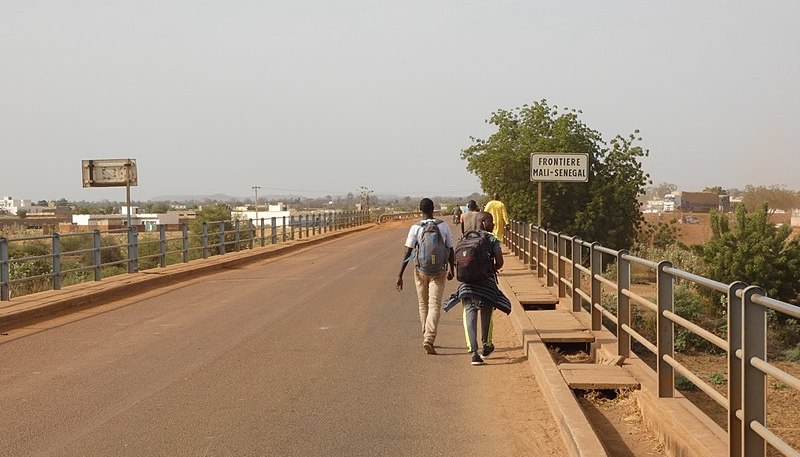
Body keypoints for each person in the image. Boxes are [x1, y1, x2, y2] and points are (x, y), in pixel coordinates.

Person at [443, 211, 510, 366]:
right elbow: (500, 262)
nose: (493, 225)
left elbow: (457, 261)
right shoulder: (491, 239)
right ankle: (486, 345)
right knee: (487, 313)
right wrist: (489, 268)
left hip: (467, 284)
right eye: (491, 221)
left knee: (469, 314)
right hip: (486, 283)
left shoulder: (464, 238)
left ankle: (473, 353)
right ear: (483, 222)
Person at [396, 198, 455, 355]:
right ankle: (429, 338)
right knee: (434, 305)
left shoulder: (415, 228)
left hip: (420, 270)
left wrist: (400, 275)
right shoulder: (443, 226)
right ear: (433, 209)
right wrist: (452, 269)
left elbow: (407, 251)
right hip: (439, 271)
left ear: (420, 210)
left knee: (423, 305)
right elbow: (450, 249)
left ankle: (426, 335)